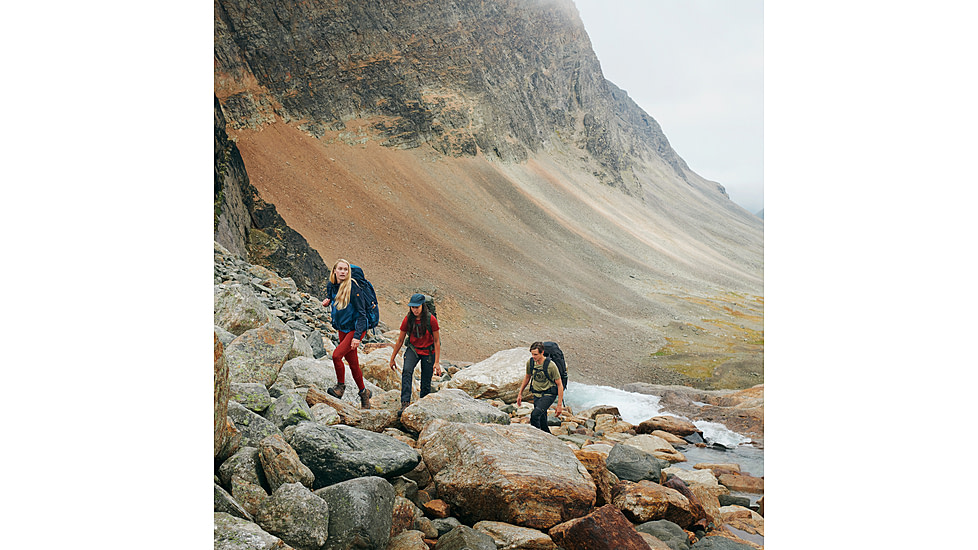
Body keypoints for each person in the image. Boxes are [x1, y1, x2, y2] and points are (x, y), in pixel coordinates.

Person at [320, 258, 372, 408]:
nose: (343, 272)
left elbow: (362, 315)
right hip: (343, 327)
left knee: (336, 356)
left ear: (348, 272)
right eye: (340, 269)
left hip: (355, 328)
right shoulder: (332, 285)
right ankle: (364, 393)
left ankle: (340, 388)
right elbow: (332, 296)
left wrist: (357, 337)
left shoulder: (353, 288)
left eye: (345, 269)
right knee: (353, 364)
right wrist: (328, 301)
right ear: (334, 271)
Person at [389, 293, 442, 412]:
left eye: (417, 307)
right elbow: (400, 340)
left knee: (426, 380)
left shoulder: (431, 320)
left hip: (428, 351)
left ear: (422, 306)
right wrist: (392, 358)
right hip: (413, 349)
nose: (415, 310)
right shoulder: (408, 319)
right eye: (412, 307)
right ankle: (405, 403)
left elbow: (437, 341)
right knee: (407, 371)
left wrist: (437, 362)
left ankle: (423, 405)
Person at [516, 341, 564, 433]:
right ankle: (548, 436)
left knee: (535, 415)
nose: (533, 356)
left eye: (535, 354)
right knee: (542, 420)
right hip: (537, 394)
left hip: (548, 394)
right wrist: (520, 393)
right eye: (532, 354)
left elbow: (559, 384)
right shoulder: (531, 362)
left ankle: (536, 436)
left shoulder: (551, 366)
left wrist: (559, 405)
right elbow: (527, 377)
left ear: (542, 353)